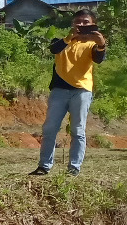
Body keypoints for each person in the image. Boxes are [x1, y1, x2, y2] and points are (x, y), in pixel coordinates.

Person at [33, 9, 109, 176]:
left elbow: (99, 58)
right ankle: (44, 166)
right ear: (73, 24)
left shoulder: (92, 44)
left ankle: (74, 168)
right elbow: (54, 49)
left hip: (82, 91)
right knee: (50, 128)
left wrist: (101, 44)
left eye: (86, 22)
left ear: (93, 24)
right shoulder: (62, 41)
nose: (81, 25)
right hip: (59, 91)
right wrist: (70, 37)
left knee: (78, 130)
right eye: (78, 22)